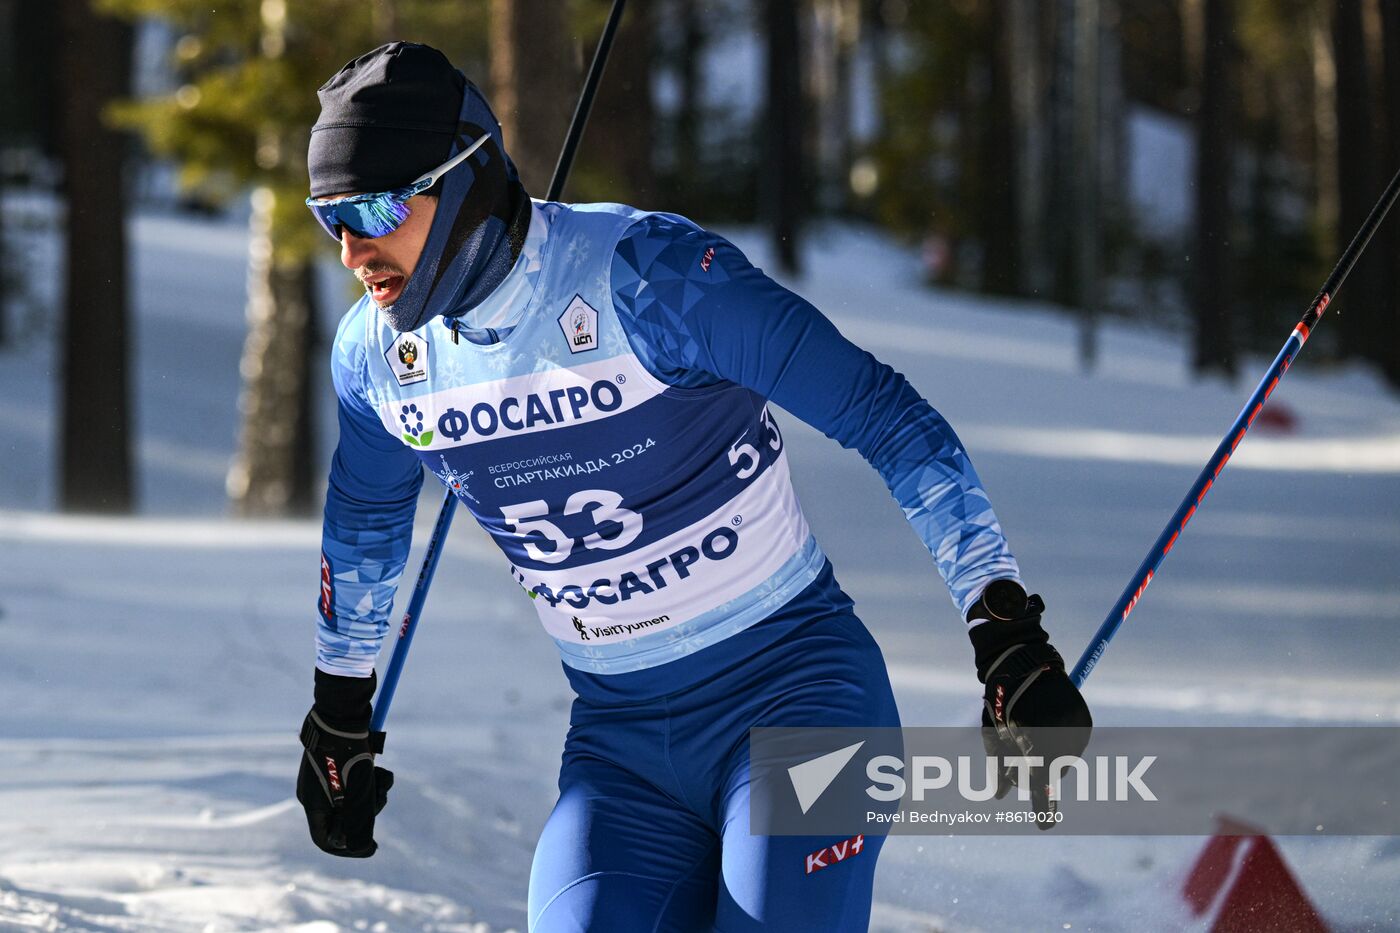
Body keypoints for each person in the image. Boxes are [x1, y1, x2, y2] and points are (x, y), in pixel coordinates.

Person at [294, 42, 1091, 932]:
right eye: (331, 219)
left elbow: (886, 416)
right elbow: (366, 519)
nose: (354, 250)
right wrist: (338, 709)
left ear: (468, 174)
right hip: (621, 746)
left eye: (374, 206)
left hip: (799, 699)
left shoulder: (652, 280)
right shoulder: (378, 361)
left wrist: (1004, 629)